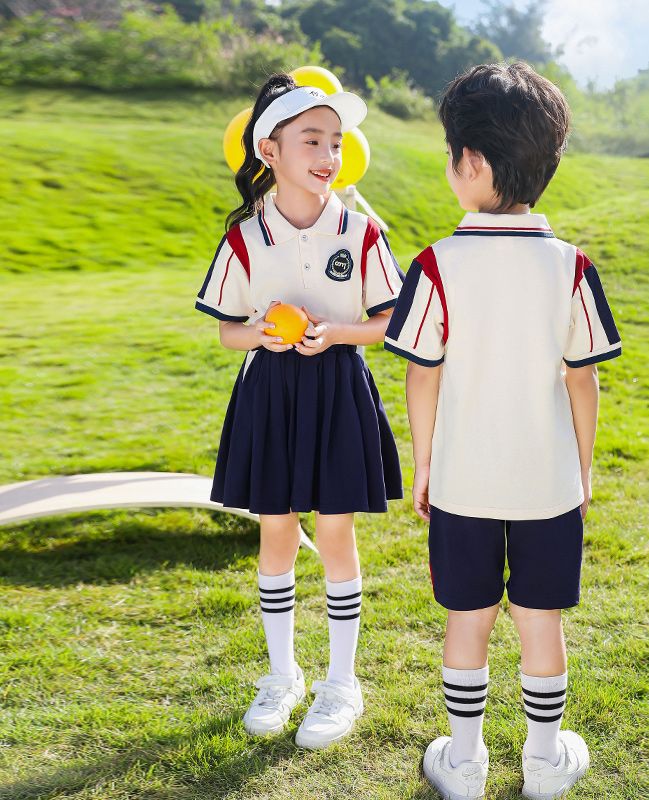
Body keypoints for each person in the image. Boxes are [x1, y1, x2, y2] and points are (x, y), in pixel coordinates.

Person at [384, 62, 621, 799]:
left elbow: (421, 374)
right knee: (539, 618)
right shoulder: (571, 266)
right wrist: (583, 472)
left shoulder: (435, 264)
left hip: (463, 479)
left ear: (472, 163)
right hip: (549, 481)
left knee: (469, 616)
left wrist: (424, 466)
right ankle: (545, 764)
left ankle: (464, 763)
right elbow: (583, 378)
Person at [195, 73, 403, 750]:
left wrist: (333, 333)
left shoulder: (361, 231)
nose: (327, 153)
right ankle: (282, 675)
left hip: (339, 387)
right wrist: (265, 334)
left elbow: (387, 321)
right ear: (269, 149)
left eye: (336, 141)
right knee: (277, 531)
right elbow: (228, 329)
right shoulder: (245, 239)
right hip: (271, 391)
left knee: (336, 533)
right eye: (311, 139)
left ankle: (341, 683)